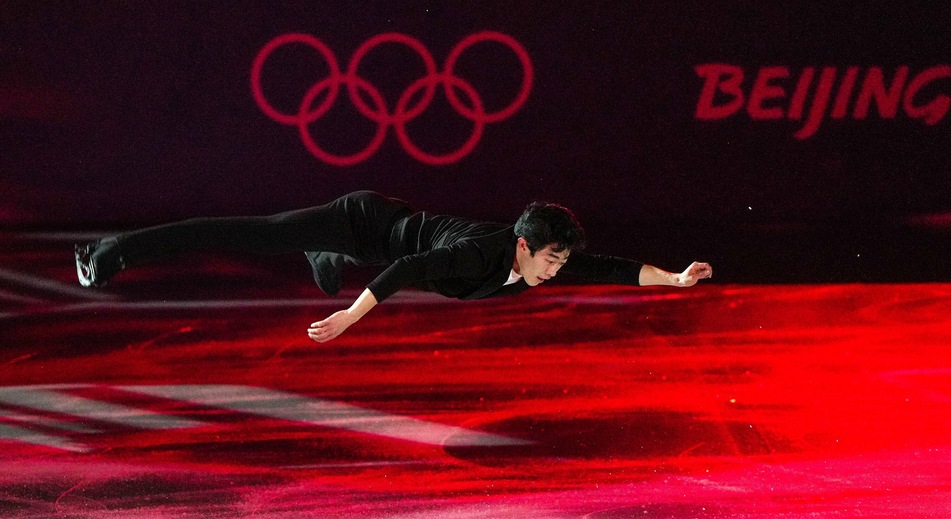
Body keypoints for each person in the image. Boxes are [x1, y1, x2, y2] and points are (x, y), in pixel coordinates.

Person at [75, 190, 713, 343]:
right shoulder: (479, 253)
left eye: (558, 262)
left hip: (380, 242)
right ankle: (111, 252)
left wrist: (676, 278)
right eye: (550, 259)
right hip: (363, 224)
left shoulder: (545, 265)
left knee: (331, 262)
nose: (555, 272)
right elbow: (408, 269)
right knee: (253, 234)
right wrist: (351, 316)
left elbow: (611, 268)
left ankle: (329, 259)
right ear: (522, 245)